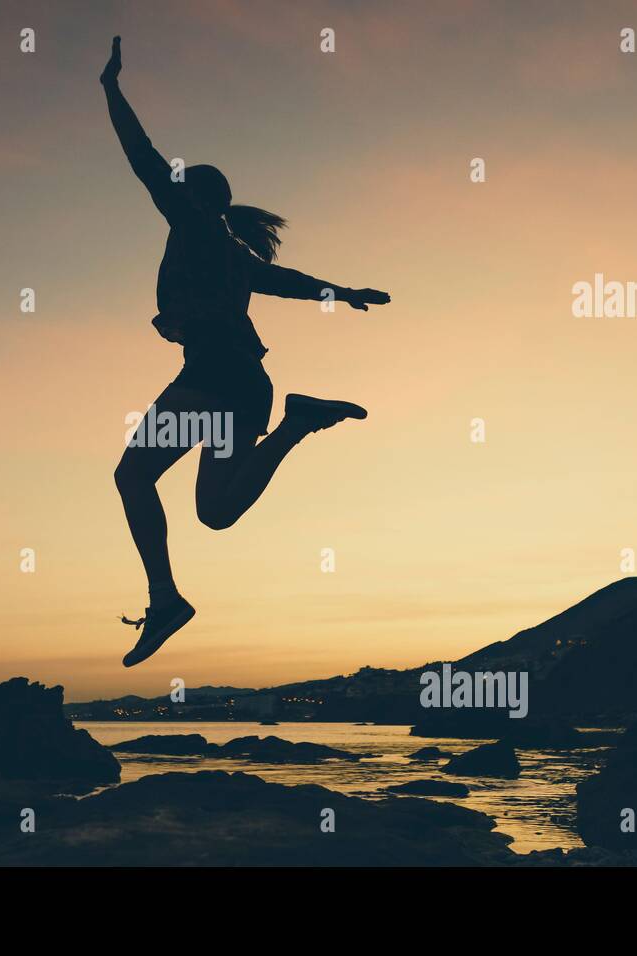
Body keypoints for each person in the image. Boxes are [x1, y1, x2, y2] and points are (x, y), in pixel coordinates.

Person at [102, 37, 390, 667]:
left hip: (215, 375)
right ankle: (295, 425)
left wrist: (111, 90)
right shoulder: (231, 251)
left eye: (177, 190)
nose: (167, 193)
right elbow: (285, 282)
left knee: (132, 476)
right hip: (242, 385)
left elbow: (143, 158)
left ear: (197, 197)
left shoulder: (196, 225)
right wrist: (342, 293)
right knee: (216, 513)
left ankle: (166, 598)